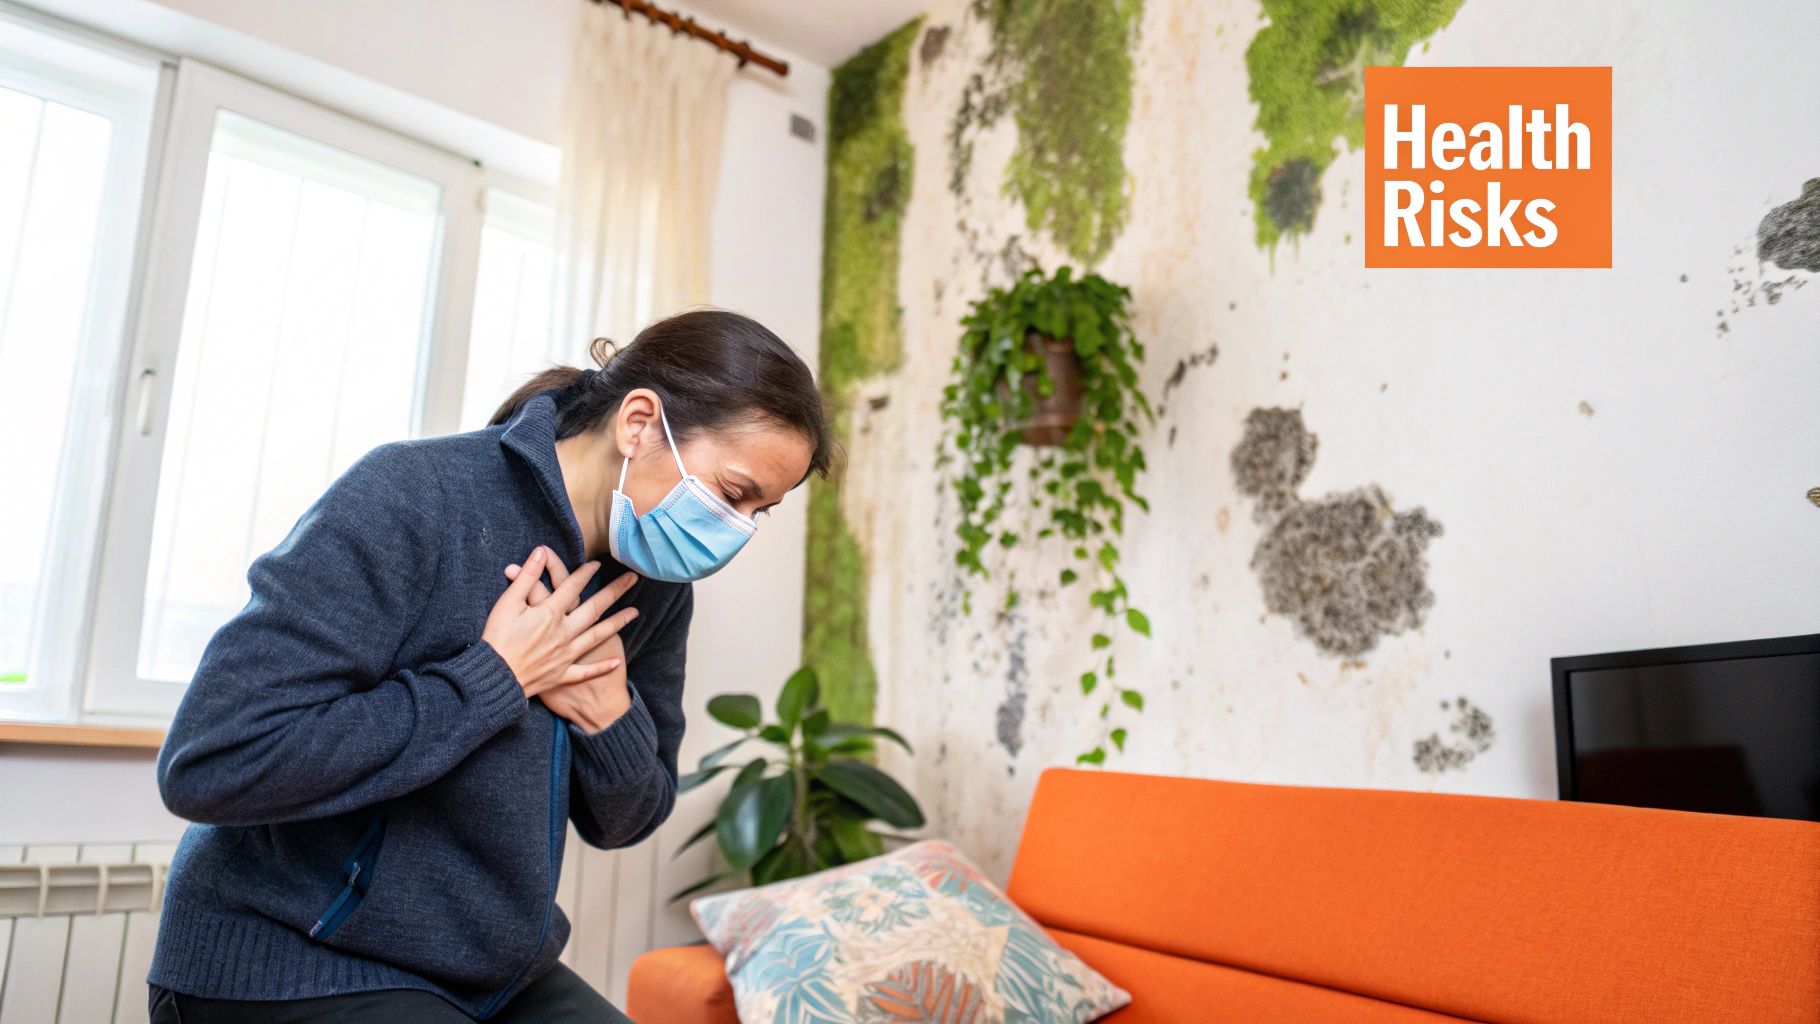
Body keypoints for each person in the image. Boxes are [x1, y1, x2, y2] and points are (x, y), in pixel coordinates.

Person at [145, 309, 834, 1022]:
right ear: (638, 424)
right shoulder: (415, 495)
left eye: (762, 512)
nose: (737, 530)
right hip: (292, 961)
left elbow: (629, 820)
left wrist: (611, 720)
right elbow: (213, 760)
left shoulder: (654, 586)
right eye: (731, 493)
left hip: (494, 976)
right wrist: (493, 680)